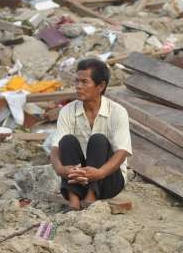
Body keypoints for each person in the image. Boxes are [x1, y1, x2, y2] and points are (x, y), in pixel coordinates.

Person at [50, 58, 132, 211]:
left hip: (109, 181)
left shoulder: (117, 111)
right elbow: (55, 147)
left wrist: (100, 173)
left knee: (98, 139)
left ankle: (91, 197)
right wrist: (60, 169)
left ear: (100, 86)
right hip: (78, 180)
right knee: (66, 140)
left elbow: (122, 152)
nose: (78, 87)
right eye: (77, 82)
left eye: (84, 82)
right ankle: (73, 201)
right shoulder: (68, 110)